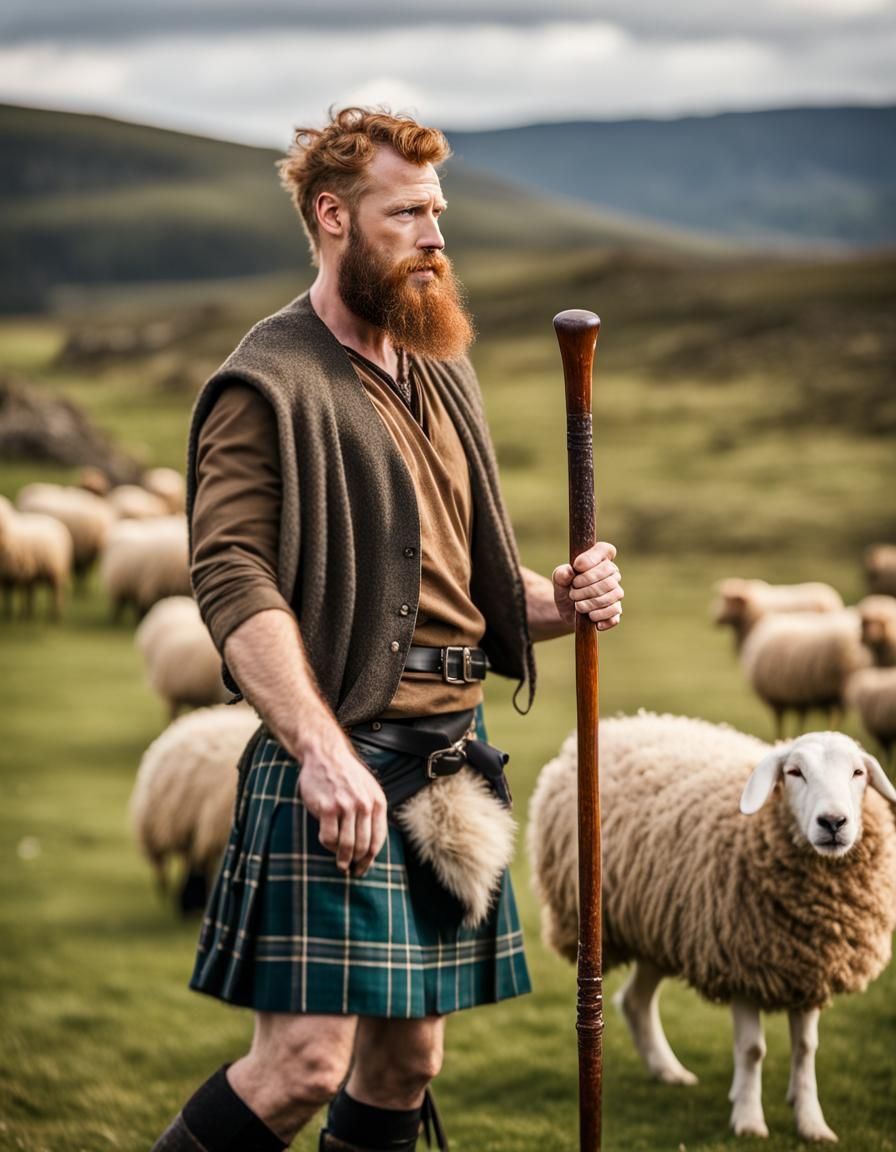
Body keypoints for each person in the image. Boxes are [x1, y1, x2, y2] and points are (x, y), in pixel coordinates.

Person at [152, 106, 623, 1152]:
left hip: (448, 760)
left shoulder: (438, 365)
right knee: (301, 1066)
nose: (433, 236)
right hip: (341, 758)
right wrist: (318, 752)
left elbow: (463, 597)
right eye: (405, 212)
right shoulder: (264, 383)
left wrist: (557, 603)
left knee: (407, 1063)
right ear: (331, 216)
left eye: (438, 211)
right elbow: (230, 577)